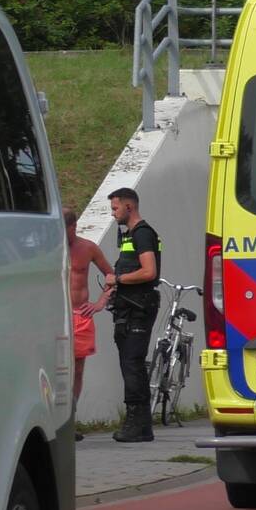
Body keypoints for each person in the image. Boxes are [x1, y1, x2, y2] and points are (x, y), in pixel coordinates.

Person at [104, 187, 162, 443]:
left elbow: (149, 272)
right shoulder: (130, 235)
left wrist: (118, 278)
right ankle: (140, 425)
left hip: (139, 308)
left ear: (129, 206)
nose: (113, 213)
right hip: (129, 308)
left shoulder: (143, 234)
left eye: (115, 208)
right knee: (130, 364)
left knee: (132, 364)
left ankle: (137, 424)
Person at [64, 207, 113, 442]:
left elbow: (111, 276)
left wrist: (100, 302)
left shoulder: (88, 248)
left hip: (80, 316)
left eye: (65, 229)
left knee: (78, 369)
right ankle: (57, 421)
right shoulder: (49, 247)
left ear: (74, 226)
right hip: (56, 316)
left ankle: (70, 420)